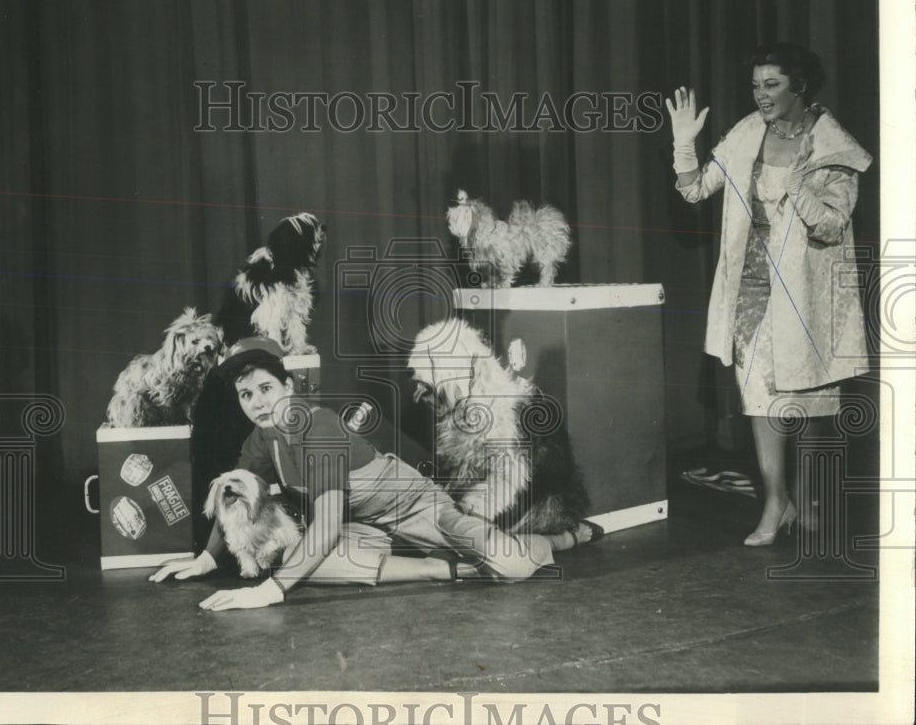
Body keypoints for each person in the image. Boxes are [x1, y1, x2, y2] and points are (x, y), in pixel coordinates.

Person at [149, 336, 600, 609]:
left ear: (289, 386)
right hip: (365, 527)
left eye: (265, 388)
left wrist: (272, 592)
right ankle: (441, 571)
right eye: (246, 395)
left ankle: (566, 538)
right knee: (293, 557)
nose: (258, 402)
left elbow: (324, 527)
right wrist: (207, 558)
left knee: (511, 565)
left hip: (419, 510)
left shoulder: (317, 426)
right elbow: (233, 491)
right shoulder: (262, 437)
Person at [666, 42, 871, 546]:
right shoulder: (746, 134)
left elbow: (830, 224)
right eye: (756, 85)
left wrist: (800, 185)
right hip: (751, 291)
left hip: (807, 296)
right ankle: (775, 502)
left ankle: (809, 497)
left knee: (808, 397)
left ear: (799, 85)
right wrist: (683, 145)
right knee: (760, 399)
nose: (761, 95)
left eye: (772, 84)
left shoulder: (832, 145)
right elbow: (694, 190)